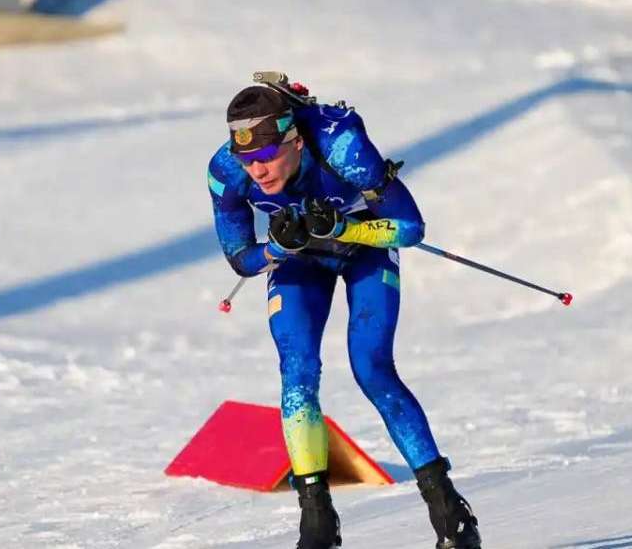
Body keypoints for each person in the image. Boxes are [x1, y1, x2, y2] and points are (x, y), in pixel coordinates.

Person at [206, 82, 482, 549]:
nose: (257, 170)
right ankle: (317, 523)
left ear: (295, 141)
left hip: (365, 249)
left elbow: (410, 228)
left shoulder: (341, 146)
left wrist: (346, 228)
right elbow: (240, 258)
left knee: (371, 367)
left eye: (267, 155)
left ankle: (448, 509)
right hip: (300, 260)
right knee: (297, 372)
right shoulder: (225, 170)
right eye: (247, 159)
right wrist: (276, 248)